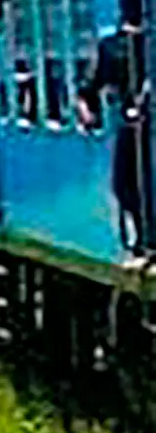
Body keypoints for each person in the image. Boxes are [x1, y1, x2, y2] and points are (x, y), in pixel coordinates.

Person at [80, 21, 150, 260]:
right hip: (135, 125)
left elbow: (89, 86)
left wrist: (87, 108)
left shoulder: (111, 46)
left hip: (133, 125)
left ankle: (144, 237)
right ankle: (144, 237)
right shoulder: (113, 46)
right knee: (128, 184)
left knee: (126, 185)